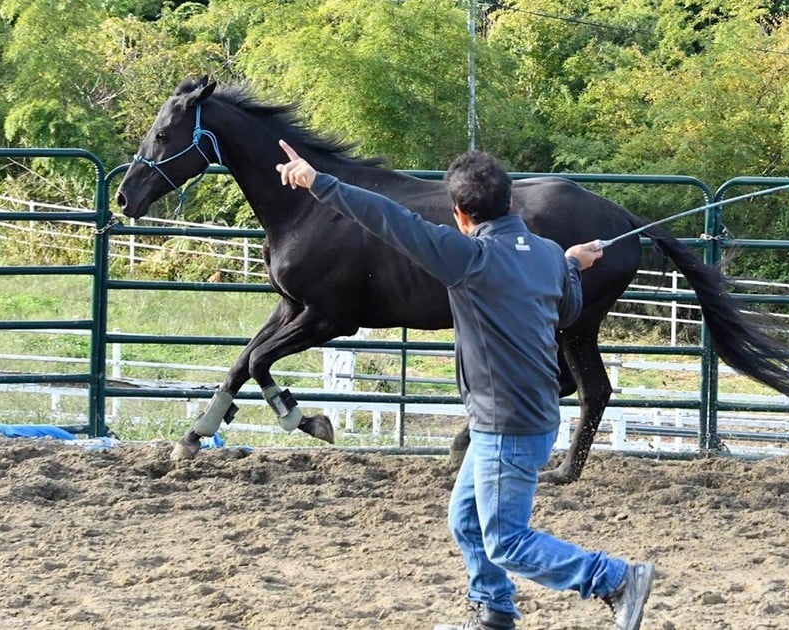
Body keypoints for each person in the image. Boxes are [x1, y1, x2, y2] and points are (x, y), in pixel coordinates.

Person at [276, 140, 654, 630]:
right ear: (511, 201)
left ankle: (615, 580)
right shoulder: (544, 255)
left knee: (507, 540)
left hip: (507, 423)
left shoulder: (466, 258)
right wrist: (570, 265)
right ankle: (493, 612)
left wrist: (317, 182)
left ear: (459, 215)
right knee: (466, 521)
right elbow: (568, 310)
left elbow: (389, 217)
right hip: (520, 417)